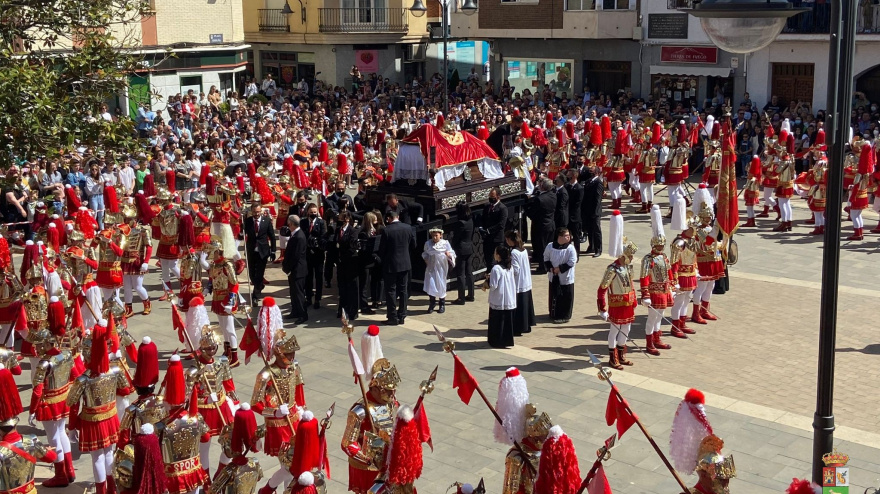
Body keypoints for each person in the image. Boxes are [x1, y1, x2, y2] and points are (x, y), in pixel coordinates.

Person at [341, 358, 401, 494]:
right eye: (388, 391)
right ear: (375, 389)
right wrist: (368, 459)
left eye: (393, 391)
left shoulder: (391, 403)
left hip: (388, 462)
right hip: (367, 468)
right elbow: (347, 443)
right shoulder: (359, 411)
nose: (392, 395)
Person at [597, 212, 638, 370]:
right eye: (630, 256)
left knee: (626, 328)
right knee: (614, 330)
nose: (632, 258)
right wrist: (602, 308)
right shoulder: (612, 269)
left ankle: (621, 353)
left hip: (628, 303)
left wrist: (634, 300)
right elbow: (602, 289)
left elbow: (631, 284)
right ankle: (612, 357)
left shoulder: (627, 267)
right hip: (616, 304)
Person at [639, 206, 674, 355]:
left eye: (662, 245)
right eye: (658, 245)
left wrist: (673, 284)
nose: (661, 247)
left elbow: (669, 271)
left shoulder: (664, 256)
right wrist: (645, 294)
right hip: (653, 291)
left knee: (660, 315)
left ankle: (657, 338)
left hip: (664, 289)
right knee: (652, 317)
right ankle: (649, 342)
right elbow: (644, 276)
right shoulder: (648, 259)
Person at [377, 210, 416, 326]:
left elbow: (382, 250)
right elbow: (413, 245)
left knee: (391, 291)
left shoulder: (387, 230)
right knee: (403, 290)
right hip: (405, 263)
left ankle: (392, 316)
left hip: (390, 265)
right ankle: (402, 315)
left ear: (388, 219)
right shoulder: (408, 228)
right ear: (398, 217)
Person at [244, 200, 277, 304]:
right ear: (251, 212)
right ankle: (259, 285)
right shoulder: (247, 221)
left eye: (258, 212)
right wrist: (241, 231)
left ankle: (255, 296)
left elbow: (272, 237)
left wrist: (273, 251)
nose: (256, 214)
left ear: (261, 211)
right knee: (252, 274)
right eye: (254, 212)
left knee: (259, 273)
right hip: (251, 250)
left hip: (263, 251)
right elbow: (242, 234)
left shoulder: (266, 221)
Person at [543, 227, 577, 324]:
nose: (569, 237)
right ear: (560, 237)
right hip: (553, 275)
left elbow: (572, 261)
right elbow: (546, 257)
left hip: (566, 277)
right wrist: (551, 268)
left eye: (569, 235)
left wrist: (559, 269)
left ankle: (565, 316)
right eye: (566, 236)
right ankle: (554, 313)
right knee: (554, 294)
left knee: (566, 297)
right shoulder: (550, 246)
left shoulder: (570, 248)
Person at [506, 230, 534, 336]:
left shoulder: (514, 252)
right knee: (525, 304)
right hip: (526, 280)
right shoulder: (524, 250)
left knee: (519, 306)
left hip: (518, 282)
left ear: (510, 240)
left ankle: (518, 327)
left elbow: (516, 270)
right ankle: (527, 326)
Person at [487, 245, 516, 348]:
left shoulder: (496, 268)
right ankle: (506, 341)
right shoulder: (510, 266)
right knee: (506, 321)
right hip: (508, 298)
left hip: (499, 298)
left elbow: (493, 286)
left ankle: (496, 341)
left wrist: (488, 280)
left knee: (497, 321)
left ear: (498, 255)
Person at [422, 226, 455, 314]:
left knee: (441, 283)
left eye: (436, 235)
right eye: (433, 236)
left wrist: (449, 255)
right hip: (431, 266)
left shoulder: (445, 243)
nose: (434, 237)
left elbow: (452, 253)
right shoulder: (428, 243)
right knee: (431, 283)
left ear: (441, 235)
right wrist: (426, 259)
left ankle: (442, 303)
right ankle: (432, 303)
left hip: (441, 266)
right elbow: (425, 253)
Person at [283, 215, 309, 324]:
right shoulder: (295, 235)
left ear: (292, 224)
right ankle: (295, 311)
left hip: (298, 270)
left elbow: (296, 256)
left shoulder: (299, 237)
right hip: (294, 270)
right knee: (293, 293)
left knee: (299, 294)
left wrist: (288, 268)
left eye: (289, 224)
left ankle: (303, 314)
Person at [527, 178, 556, 272]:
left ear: (542, 186)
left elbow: (532, 213)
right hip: (550, 224)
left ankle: (542, 267)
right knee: (549, 247)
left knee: (541, 247)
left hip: (541, 226)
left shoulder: (539, 199)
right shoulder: (553, 196)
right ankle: (548, 265)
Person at [335, 211, 360, 320]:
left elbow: (351, 247)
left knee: (351, 288)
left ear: (347, 220)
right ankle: (342, 309)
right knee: (342, 288)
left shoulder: (352, 231)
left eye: (342, 219)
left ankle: (352, 311)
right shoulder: (338, 230)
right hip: (341, 264)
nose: (340, 221)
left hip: (350, 263)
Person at [302, 203, 326, 309]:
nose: (313, 214)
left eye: (315, 212)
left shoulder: (321, 223)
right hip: (307, 254)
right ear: (307, 212)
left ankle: (318, 299)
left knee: (319, 277)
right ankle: (308, 297)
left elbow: (323, 236)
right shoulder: (303, 222)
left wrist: (317, 243)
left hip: (318, 254)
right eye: (311, 212)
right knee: (308, 277)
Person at [451, 202, 475, 305]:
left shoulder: (460, 223)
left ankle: (461, 298)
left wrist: (452, 246)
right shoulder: (470, 220)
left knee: (460, 274)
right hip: (469, 247)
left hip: (461, 249)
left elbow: (456, 237)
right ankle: (471, 294)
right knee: (469, 272)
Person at [480, 187, 508, 269]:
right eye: (490, 196)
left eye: (493, 197)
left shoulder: (502, 208)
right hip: (487, 239)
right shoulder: (487, 207)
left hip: (497, 239)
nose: (491, 199)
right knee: (488, 259)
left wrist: (488, 230)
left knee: (498, 260)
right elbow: (483, 219)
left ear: (498, 197)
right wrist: (482, 228)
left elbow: (501, 224)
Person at [581, 165, 604, 257]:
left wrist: (595, 211)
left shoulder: (598, 182)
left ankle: (598, 249)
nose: (590, 172)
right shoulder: (588, 181)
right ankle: (591, 246)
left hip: (595, 211)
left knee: (596, 230)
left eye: (592, 171)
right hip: (588, 210)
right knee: (589, 229)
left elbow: (598, 198)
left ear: (597, 172)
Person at [565, 170, 583, 254]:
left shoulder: (579, 188)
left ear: (574, 176)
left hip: (574, 217)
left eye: (569, 175)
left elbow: (577, 203)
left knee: (576, 237)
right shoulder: (567, 186)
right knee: (567, 236)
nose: (568, 177)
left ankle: (576, 253)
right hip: (567, 216)